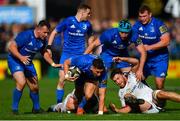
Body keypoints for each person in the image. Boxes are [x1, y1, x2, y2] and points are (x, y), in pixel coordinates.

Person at [7, 20, 62, 114]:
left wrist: (53, 64)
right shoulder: (26, 35)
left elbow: (44, 52)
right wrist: (21, 57)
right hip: (15, 60)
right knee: (21, 82)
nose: (46, 35)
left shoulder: (43, 40)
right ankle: (14, 109)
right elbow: (11, 46)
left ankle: (36, 109)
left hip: (27, 62)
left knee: (35, 87)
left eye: (47, 33)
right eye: (45, 32)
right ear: (38, 29)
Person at [47, 4, 95, 103]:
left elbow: (90, 36)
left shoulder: (88, 24)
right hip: (67, 54)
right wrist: (48, 47)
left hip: (80, 55)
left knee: (79, 82)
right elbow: (54, 32)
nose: (90, 15)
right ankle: (59, 104)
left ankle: (80, 105)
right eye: (88, 13)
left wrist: (91, 49)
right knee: (62, 80)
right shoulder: (68, 21)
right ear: (82, 12)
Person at [109, 56, 180, 113]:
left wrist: (122, 58)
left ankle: (159, 107)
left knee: (161, 93)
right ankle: (155, 109)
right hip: (145, 106)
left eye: (118, 78)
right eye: (115, 81)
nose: (117, 82)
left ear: (122, 75)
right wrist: (117, 110)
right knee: (127, 97)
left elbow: (136, 62)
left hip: (154, 98)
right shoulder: (121, 93)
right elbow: (127, 108)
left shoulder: (131, 75)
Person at [132, 5, 170, 90]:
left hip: (160, 58)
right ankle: (147, 99)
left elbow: (166, 41)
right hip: (145, 58)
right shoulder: (137, 25)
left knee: (159, 85)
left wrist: (149, 47)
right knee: (137, 82)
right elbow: (131, 38)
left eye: (144, 16)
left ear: (150, 15)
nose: (142, 18)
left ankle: (160, 103)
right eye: (140, 16)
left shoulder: (159, 24)